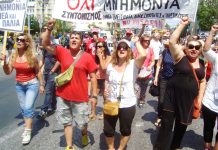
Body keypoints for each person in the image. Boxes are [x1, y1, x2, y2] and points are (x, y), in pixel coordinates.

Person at [41, 19, 98, 150]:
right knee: (67, 122)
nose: (73, 40)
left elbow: (94, 77)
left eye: (76, 38)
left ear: (81, 41)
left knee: (82, 124)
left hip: (80, 98)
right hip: (63, 95)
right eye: (72, 37)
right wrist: (49, 29)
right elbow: (45, 43)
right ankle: (69, 145)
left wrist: (94, 96)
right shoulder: (61, 51)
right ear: (69, 39)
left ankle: (84, 133)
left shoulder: (87, 57)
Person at [154, 16, 206, 150]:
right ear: (186, 48)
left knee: (181, 127)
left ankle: (175, 147)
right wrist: (182, 24)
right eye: (191, 46)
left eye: (197, 47)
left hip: (188, 101)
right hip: (172, 97)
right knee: (166, 125)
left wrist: (199, 99)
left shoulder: (201, 63)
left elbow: (202, 80)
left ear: (200, 50)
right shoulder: (180, 57)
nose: (194, 49)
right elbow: (172, 41)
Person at [103, 37, 146, 150]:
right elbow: (107, 79)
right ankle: (111, 148)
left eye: (125, 48)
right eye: (119, 47)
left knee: (125, 130)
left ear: (129, 51)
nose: (122, 50)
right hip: (111, 102)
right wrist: (105, 89)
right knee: (108, 129)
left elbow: (143, 55)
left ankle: (121, 148)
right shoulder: (111, 65)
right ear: (116, 50)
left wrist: (136, 42)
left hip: (128, 103)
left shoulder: (133, 64)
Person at [2, 33, 44, 144]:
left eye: (22, 40)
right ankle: (28, 122)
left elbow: (38, 71)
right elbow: (8, 72)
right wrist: (4, 63)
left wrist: (41, 84)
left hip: (32, 84)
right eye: (18, 39)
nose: (19, 41)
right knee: (24, 109)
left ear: (27, 43)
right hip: (19, 86)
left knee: (28, 107)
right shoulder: (13, 55)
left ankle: (28, 131)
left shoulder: (32, 56)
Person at [37, 26, 60, 119]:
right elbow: (43, 60)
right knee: (52, 91)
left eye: (43, 39)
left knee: (48, 91)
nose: (41, 41)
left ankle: (43, 110)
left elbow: (59, 60)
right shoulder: (45, 48)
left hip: (53, 72)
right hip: (46, 71)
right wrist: (36, 69)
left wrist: (53, 70)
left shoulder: (55, 46)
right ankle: (53, 106)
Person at [201, 24, 218, 150]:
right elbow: (206, 50)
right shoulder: (217, 58)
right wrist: (212, 32)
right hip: (210, 101)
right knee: (208, 126)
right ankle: (207, 146)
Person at [153, 33, 174, 127]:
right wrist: (156, 77)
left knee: (171, 100)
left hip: (174, 80)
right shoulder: (165, 51)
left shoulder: (179, 53)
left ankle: (168, 117)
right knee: (161, 100)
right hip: (164, 78)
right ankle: (159, 116)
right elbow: (158, 65)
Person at [134, 34, 155, 107]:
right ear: (141, 41)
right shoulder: (137, 49)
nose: (147, 42)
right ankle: (134, 101)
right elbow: (134, 60)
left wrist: (150, 66)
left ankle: (142, 99)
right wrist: (140, 65)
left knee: (143, 89)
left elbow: (153, 61)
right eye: (145, 40)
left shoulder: (151, 49)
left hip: (147, 74)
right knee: (136, 88)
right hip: (138, 73)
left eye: (148, 41)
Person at [94, 41, 111, 120]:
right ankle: (92, 113)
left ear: (104, 48)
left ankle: (105, 113)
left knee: (105, 97)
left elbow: (104, 68)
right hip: (96, 78)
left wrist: (100, 57)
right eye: (97, 46)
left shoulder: (108, 57)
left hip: (105, 79)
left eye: (100, 46)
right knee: (93, 96)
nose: (98, 48)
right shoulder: (95, 57)